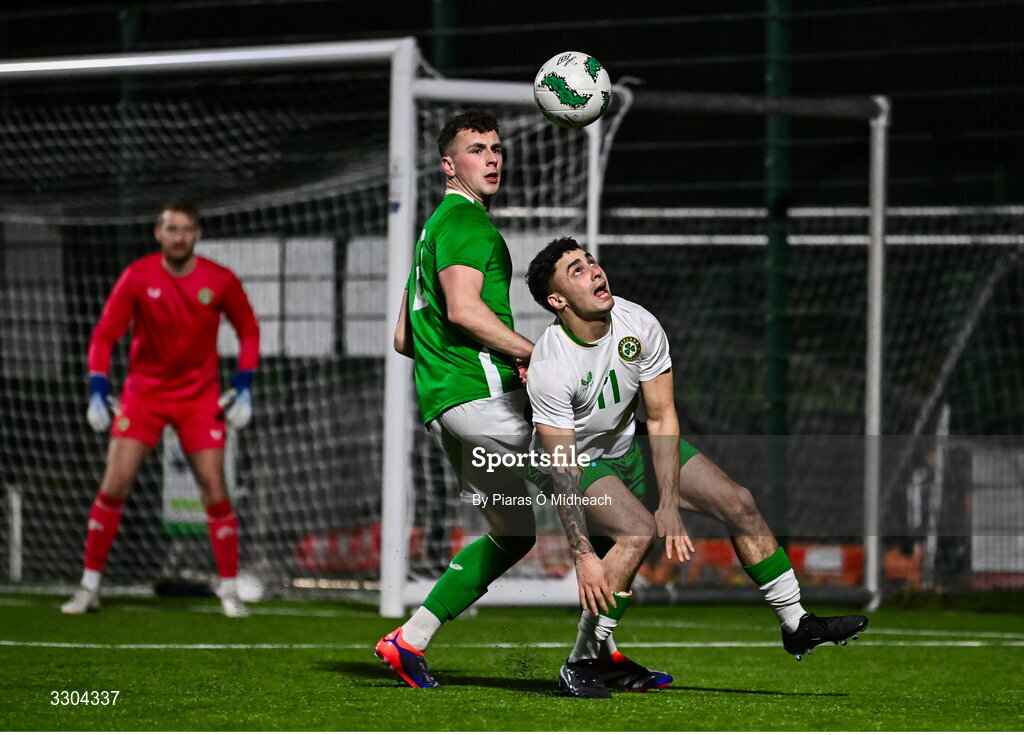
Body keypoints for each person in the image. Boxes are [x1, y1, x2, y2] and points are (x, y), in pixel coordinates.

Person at [373, 111, 670, 691]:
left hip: (447, 409)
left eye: (495, 148)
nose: (491, 158)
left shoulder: (431, 231)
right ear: (447, 165)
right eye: (476, 149)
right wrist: (531, 351)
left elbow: (405, 338)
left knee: (513, 533)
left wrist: (460, 368)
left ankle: (409, 638)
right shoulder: (467, 224)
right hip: (489, 404)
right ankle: (589, 656)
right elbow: (462, 310)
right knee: (631, 526)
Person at [524, 237, 869, 694]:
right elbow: (562, 463)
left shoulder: (638, 323)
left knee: (739, 502)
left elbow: (662, 415)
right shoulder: (552, 364)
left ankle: (796, 624)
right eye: (576, 271)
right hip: (573, 463)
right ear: (557, 300)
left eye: (590, 262)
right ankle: (582, 662)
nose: (594, 271)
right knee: (636, 532)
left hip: (629, 447)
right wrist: (584, 555)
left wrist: (669, 500)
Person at [60, 201, 259, 618]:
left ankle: (228, 590)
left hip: (198, 399)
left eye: (187, 229)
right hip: (143, 397)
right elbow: (104, 335)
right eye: (171, 228)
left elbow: (248, 329)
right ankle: (89, 587)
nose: (179, 236)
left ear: (197, 234)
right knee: (114, 485)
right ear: (158, 233)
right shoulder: (137, 276)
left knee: (215, 490)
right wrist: (98, 389)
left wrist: (243, 388)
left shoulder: (219, 280)